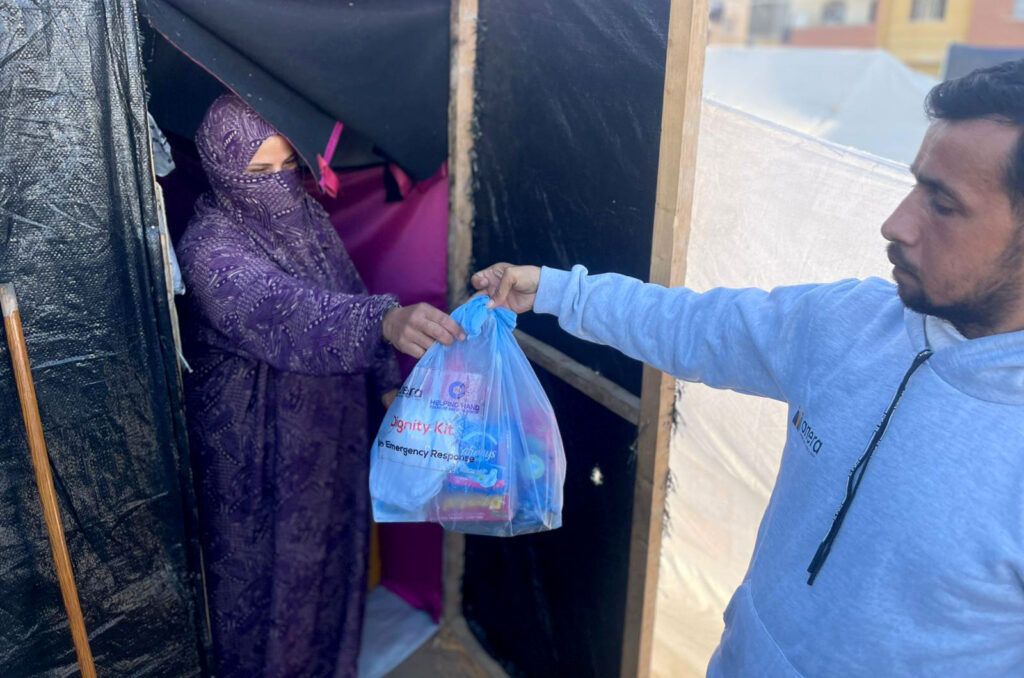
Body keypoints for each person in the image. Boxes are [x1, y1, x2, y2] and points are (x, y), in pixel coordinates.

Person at [473, 61, 1024, 675]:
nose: (896, 223)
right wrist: (554, 292)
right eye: (916, 184)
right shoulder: (855, 322)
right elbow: (694, 325)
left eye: (943, 204)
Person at [176, 95, 464, 677]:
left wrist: (386, 386)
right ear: (223, 168)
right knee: (266, 591)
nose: (279, 182)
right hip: (260, 465)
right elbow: (289, 312)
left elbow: (345, 288)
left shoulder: (305, 220)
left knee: (332, 571)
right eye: (260, 170)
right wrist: (384, 321)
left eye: (287, 164)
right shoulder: (208, 252)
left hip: (331, 443)